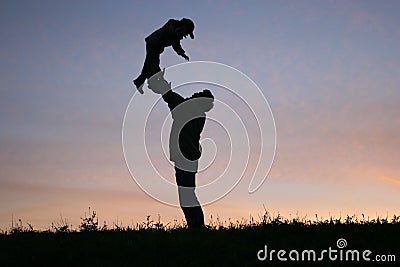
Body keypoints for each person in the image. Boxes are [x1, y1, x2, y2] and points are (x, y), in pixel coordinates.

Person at [147, 70, 214, 228]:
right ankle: (196, 227)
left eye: (196, 95)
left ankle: (197, 227)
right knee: (187, 194)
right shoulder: (195, 112)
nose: (192, 95)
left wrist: (162, 85)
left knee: (186, 195)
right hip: (189, 157)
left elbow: (170, 97)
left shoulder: (189, 110)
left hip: (185, 158)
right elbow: (171, 97)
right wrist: (162, 86)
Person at [133, 18, 195, 94]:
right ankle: (152, 80)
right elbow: (176, 44)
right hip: (154, 44)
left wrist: (182, 53)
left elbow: (175, 41)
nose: (184, 35)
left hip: (154, 43)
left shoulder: (174, 28)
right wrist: (182, 53)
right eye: (186, 33)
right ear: (183, 27)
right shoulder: (174, 30)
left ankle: (139, 81)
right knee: (153, 64)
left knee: (148, 64)